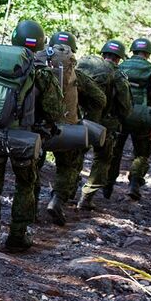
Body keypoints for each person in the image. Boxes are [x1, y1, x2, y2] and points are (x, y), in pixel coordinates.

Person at [0, 20, 64, 251]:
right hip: (24, 139)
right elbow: (55, 110)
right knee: (25, 186)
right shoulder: (42, 71)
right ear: (40, 44)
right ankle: (17, 237)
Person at [36, 31, 107, 226]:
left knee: (33, 165)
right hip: (65, 128)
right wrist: (83, 112)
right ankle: (57, 201)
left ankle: (30, 207)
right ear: (73, 52)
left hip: (36, 128)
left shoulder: (35, 66)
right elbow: (100, 99)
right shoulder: (76, 75)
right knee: (68, 166)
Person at [74, 40, 132, 210]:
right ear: (119, 58)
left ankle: (67, 191)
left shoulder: (83, 65)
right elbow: (125, 108)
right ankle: (86, 197)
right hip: (105, 126)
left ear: (103, 54)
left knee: (75, 155)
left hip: (79, 120)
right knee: (102, 160)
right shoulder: (118, 75)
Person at [108, 38, 151, 200]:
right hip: (142, 117)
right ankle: (134, 183)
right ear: (148, 53)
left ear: (132, 51)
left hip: (119, 115)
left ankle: (108, 184)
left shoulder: (120, 67)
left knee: (115, 150)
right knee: (142, 153)